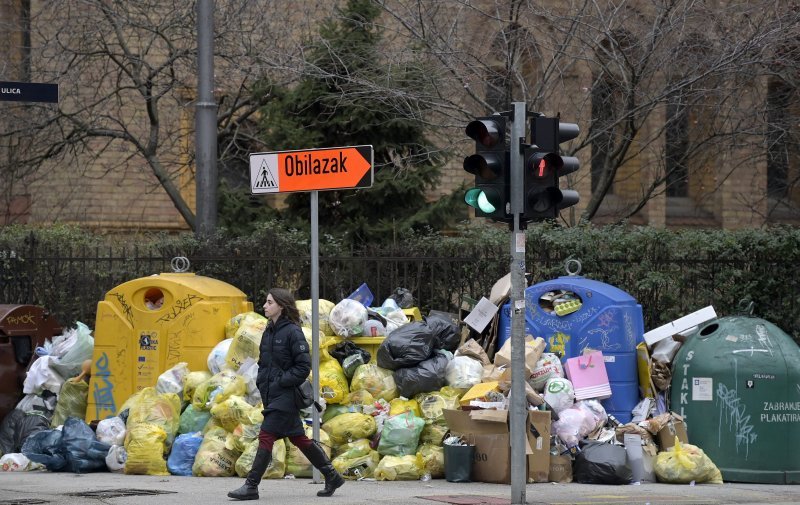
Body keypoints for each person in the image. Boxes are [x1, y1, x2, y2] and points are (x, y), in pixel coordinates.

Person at [228, 288, 344, 500]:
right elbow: (264, 363)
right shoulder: (269, 331)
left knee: (266, 436)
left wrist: (280, 383)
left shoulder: (293, 331)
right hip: (271, 394)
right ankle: (332, 475)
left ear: (281, 305)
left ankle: (251, 486)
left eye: (269, 302)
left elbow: (302, 367)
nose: (264, 306)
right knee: (299, 438)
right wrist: (262, 383)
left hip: (285, 395)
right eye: (266, 302)